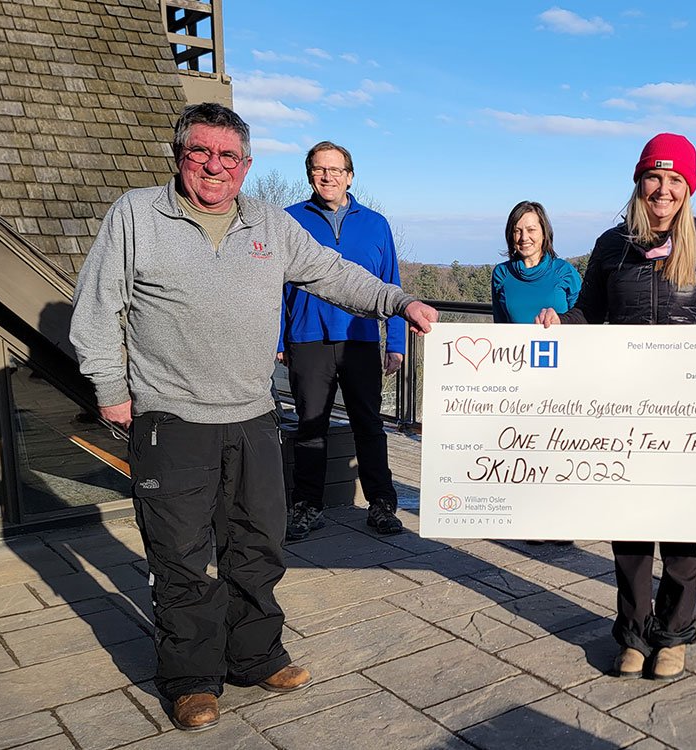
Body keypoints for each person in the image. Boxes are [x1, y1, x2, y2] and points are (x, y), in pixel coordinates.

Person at [69, 103, 437, 733]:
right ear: (179, 154)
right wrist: (109, 388)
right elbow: (98, 306)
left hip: (253, 416)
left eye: (230, 156)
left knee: (257, 544)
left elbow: (330, 272)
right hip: (172, 416)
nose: (216, 167)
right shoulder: (137, 215)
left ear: (247, 163)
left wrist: (397, 300)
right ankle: (189, 678)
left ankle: (255, 654)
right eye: (201, 153)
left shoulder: (268, 222)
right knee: (181, 555)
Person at [537, 133, 696, 683]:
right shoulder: (610, 245)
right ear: (639, 183)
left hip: (692, 410)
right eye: (653, 178)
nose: (662, 190)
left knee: (686, 529)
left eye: (674, 181)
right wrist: (559, 322)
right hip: (626, 406)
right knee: (632, 531)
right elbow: (588, 313)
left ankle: (674, 634)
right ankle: (634, 634)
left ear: (688, 189)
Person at [281, 141, 406, 540]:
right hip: (307, 339)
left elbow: (392, 286)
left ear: (350, 176)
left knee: (369, 426)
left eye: (336, 170)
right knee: (310, 428)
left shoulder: (377, 224)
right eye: (319, 169)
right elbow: (274, 288)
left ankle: (382, 505)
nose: (327, 176)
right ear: (309, 175)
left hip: (361, 340)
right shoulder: (288, 221)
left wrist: (397, 342)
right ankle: (306, 507)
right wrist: (278, 338)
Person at [491, 200, 581, 546]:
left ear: (544, 233)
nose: (523, 236)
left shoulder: (564, 273)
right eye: (517, 230)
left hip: (561, 375)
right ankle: (531, 518)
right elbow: (500, 326)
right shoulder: (501, 274)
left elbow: (583, 320)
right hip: (519, 377)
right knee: (525, 447)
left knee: (560, 447)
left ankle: (562, 519)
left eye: (530, 229)